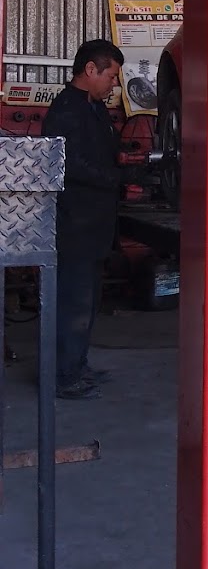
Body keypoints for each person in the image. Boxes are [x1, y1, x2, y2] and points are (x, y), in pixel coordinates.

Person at [41, 40, 124, 400]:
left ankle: (77, 364)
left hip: (94, 226)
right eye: (111, 76)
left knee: (87, 302)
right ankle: (63, 376)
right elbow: (68, 163)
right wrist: (115, 180)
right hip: (74, 225)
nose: (113, 85)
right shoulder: (67, 111)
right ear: (90, 70)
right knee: (72, 303)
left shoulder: (94, 109)